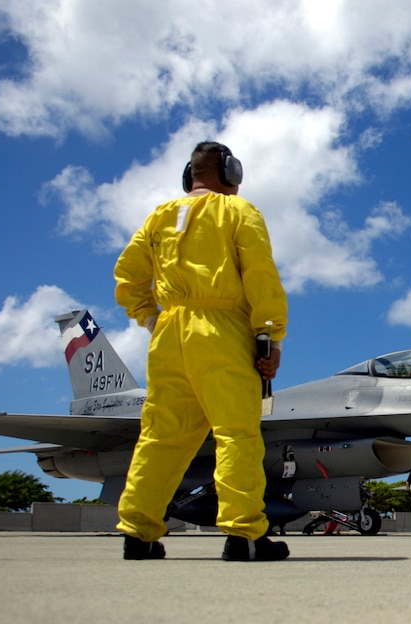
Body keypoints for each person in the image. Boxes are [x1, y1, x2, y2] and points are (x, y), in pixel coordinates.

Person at [114, 141, 289, 561]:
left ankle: (139, 534)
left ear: (188, 174)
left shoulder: (157, 218)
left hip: (169, 334)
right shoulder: (237, 212)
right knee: (236, 434)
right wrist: (269, 337)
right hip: (221, 330)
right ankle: (244, 536)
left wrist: (151, 318)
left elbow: (127, 276)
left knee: (161, 436)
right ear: (230, 172)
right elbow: (260, 278)